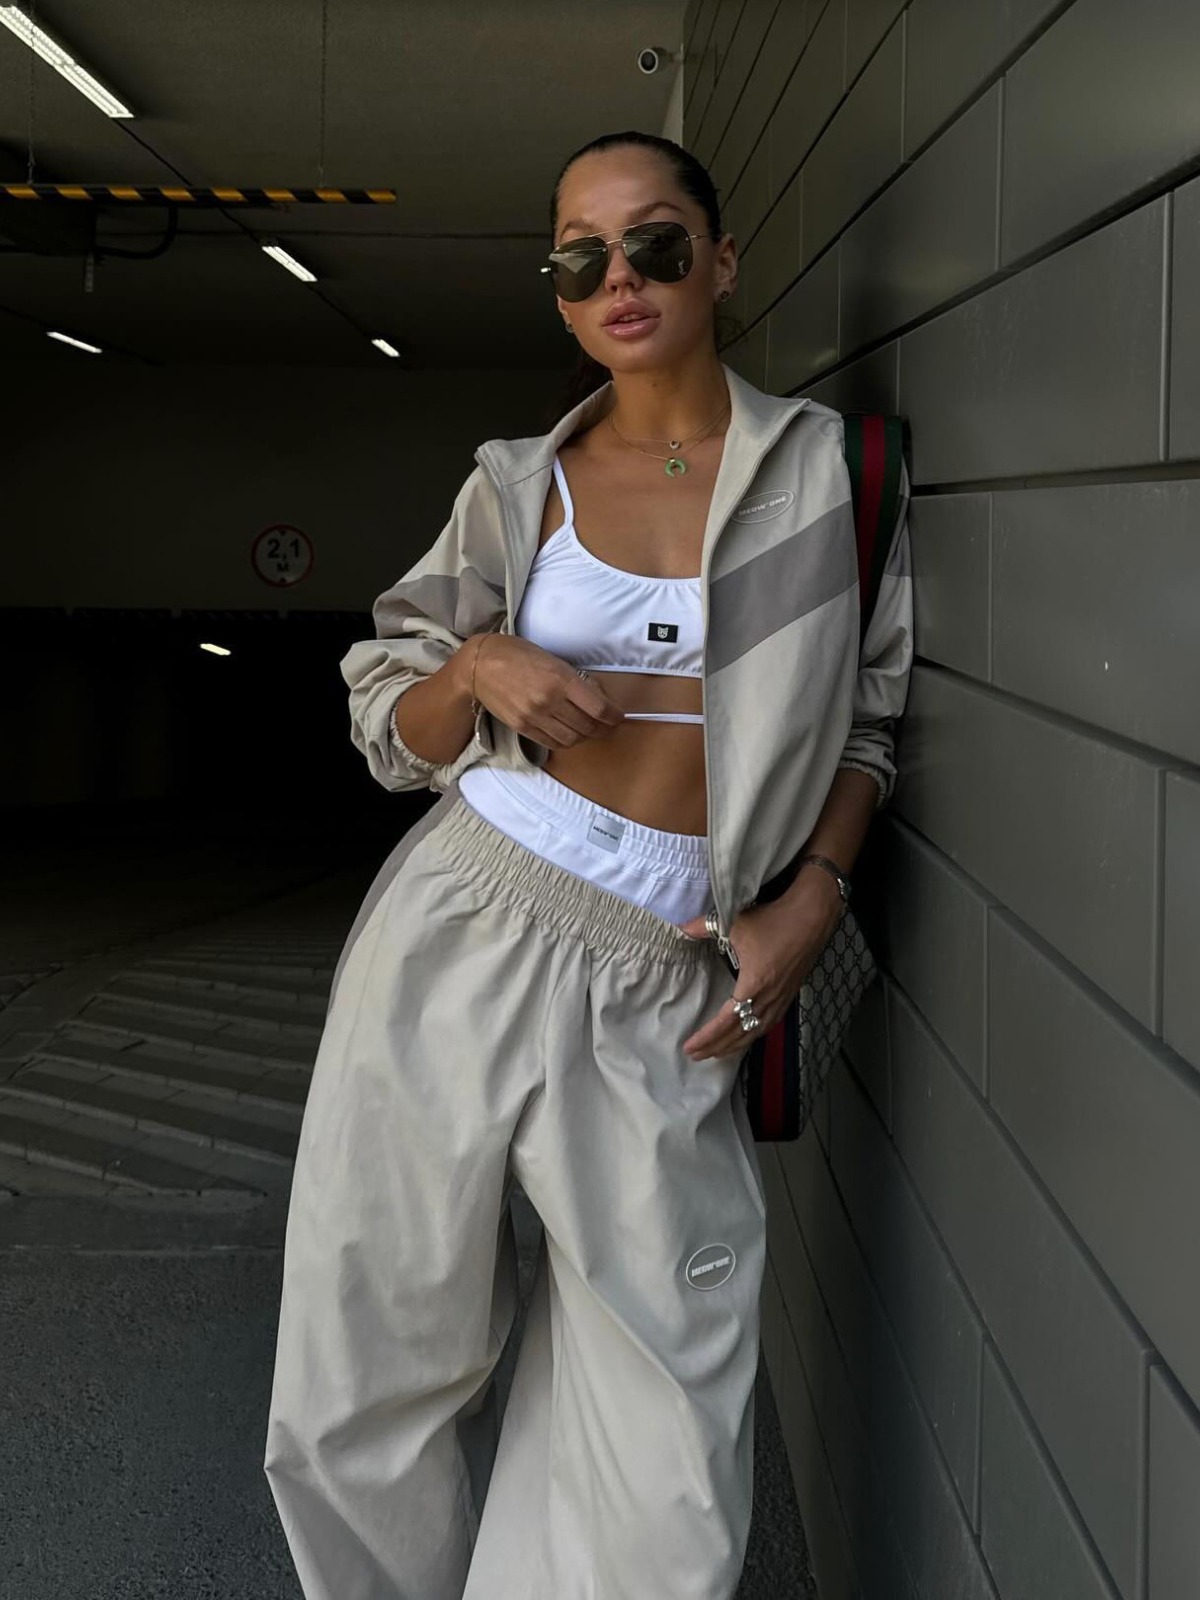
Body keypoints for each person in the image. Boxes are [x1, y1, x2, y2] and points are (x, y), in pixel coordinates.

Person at [263, 128, 914, 1600]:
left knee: (666, 1431)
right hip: (469, 917)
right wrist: (477, 667)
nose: (620, 277)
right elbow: (390, 719)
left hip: (670, 967)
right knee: (368, 1363)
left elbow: (870, 721)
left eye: (657, 243)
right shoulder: (516, 484)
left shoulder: (836, 475)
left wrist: (815, 896)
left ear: (721, 262)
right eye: (580, 257)